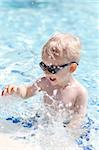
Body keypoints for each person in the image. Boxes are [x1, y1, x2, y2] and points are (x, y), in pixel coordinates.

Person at [1, 33, 88, 128]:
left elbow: (78, 120)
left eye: (53, 69)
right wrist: (16, 90)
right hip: (44, 124)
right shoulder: (44, 82)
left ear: (71, 68)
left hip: (63, 127)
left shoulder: (79, 93)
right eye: (44, 66)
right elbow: (26, 93)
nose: (46, 72)